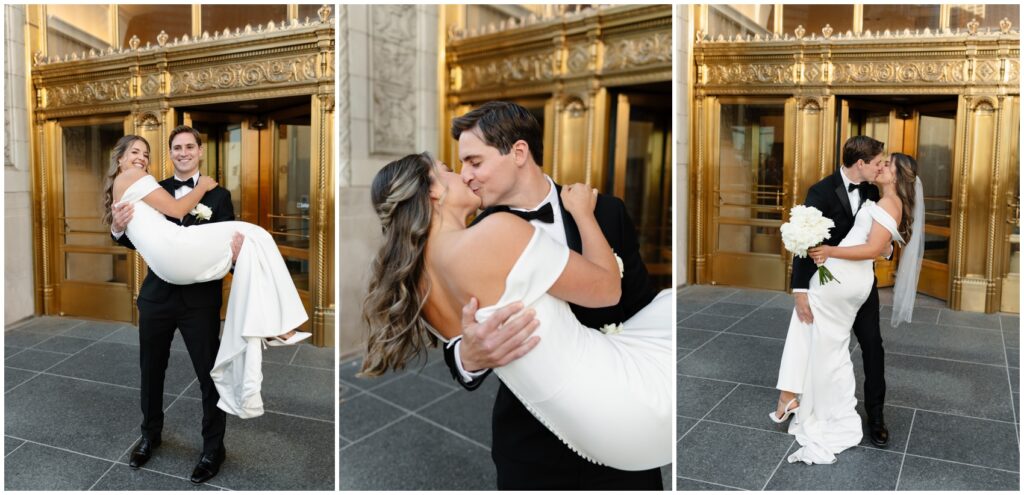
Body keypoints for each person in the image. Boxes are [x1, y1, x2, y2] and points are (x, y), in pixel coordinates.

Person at [436, 102, 666, 490]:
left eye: (474, 162)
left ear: (519, 152)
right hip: (531, 439)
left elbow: (639, 305)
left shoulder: (606, 212)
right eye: (461, 166)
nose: (466, 176)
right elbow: (451, 329)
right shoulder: (474, 239)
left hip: (621, 424)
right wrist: (467, 358)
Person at [108, 129, 308, 483]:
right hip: (158, 295)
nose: (183, 153)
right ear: (169, 154)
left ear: (200, 151)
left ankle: (213, 448)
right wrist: (117, 229)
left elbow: (227, 240)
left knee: (209, 375)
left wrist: (233, 260)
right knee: (150, 371)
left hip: (199, 300)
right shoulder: (154, 183)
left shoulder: (220, 195)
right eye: (176, 148)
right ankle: (149, 436)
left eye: (189, 147)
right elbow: (135, 238)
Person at [772, 149, 922, 465]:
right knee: (816, 336)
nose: (881, 167)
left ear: (894, 175)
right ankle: (792, 397)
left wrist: (842, 251)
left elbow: (879, 244)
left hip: (851, 282)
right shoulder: (825, 191)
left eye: (887, 165)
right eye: (879, 162)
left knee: (867, 346)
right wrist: (800, 288)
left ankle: (872, 417)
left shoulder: (880, 197)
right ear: (861, 163)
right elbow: (809, 241)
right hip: (835, 280)